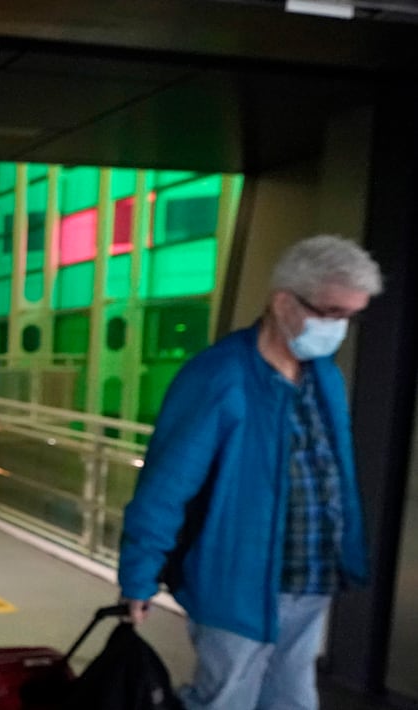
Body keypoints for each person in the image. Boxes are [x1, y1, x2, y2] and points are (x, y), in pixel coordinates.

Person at [117, 234, 381, 710]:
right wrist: (139, 574)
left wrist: (350, 551)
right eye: (331, 313)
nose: (339, 328)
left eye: (350, 316)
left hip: (312, 579)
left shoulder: (324, 374)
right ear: (283, 302)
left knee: (293, 700)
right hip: (236, 584)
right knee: (225, 699)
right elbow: (166, 485)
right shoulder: (219, 376)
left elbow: (334, 472)